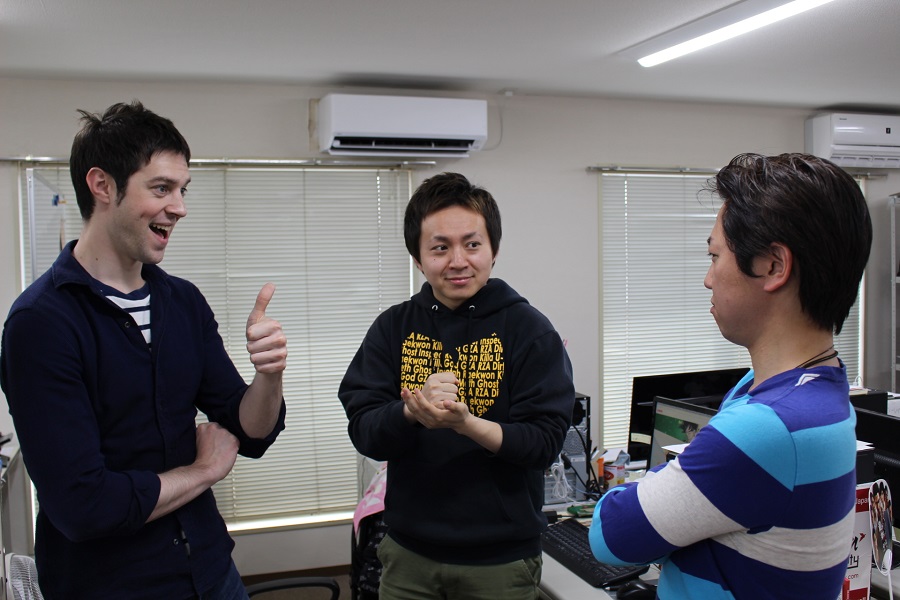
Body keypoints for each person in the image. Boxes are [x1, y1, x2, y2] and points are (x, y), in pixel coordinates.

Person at [0, 101, 288, 599]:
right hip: (111, 587)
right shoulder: (40, 324)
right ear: (102, 185)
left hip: (211, 570)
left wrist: (269, 375)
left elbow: (249, 430)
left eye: (182, 189)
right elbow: (83, 506)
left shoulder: (183, 302)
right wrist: (203, 471)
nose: (179, 207)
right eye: (161, 188)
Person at [589, 152, 872, 599]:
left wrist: (667, 491)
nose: (708, 279)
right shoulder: (818, 381)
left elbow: (610, 535)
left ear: (773, 266)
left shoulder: (769, 427)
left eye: (714, 255)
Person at [339, 172, 575, 600]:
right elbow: (365, 431)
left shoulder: (530, 331)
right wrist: (409, 412)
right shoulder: (393, 328)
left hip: (500, 560)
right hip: (408, 553)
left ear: (493, 250)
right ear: (418, 258)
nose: (458, 261)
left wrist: (467, 424)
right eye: (440, 247)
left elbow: (543, 444)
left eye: (472, 244)